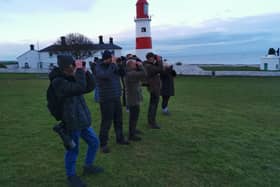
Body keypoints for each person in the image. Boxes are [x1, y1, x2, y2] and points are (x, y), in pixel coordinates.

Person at [50, 55, 103, 187]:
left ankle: (88, 166)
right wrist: (79, 71)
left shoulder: (72, 77)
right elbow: (79, 88)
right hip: (71, 121)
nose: (74, 67)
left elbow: (89, 87)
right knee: (73, 150)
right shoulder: (58, 81)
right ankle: (71, 176)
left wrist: (85, 71)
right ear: (66, 67)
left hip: (82, 119)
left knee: (94, 142)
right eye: (72, 65)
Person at [95, 50, 129, 153]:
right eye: (111, 58)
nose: (112, 60)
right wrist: (113, 65)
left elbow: (123, 73)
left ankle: (120, 138)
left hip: (116, 97)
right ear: (106, 58)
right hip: (106, 99)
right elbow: (105, 76)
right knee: (106, 121)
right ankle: (103, 144)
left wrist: (120, 64)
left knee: (119, 120)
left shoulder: (113, 66)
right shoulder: (98, 66)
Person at [125, 58, 147, 141]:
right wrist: (141, 66)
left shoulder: (130, 72)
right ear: (130, 65)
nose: (136, 65)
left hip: (134, 97)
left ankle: (133, 130)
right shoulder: (131, 73)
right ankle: (131, 134)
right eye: (134, 64)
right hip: (132, 99)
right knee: (133, 117)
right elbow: (144, 74)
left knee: (134, 116)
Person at [143, 52, 163, 129]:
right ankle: (152, 123)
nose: (154, 58)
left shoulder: (148, 65)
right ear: (150, 58)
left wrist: (157, 61)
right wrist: (159, 61)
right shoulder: (148, 66)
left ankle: (151, 121)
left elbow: (158, 69)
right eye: (153, 57)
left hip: (154, 87)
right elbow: (160, 69)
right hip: (154, 88)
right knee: (153, 106)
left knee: (153, 105)